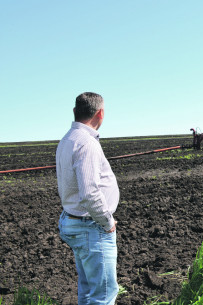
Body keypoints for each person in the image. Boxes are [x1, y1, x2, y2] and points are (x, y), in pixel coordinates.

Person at [56, 92, 119, 304]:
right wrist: (107, 222)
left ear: (75, 112)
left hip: (74, 222)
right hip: (91, 226)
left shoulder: (68, 139)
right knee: (104, 295)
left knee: (87, 290)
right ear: (100, 113)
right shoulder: (87, 143)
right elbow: (90, 193)